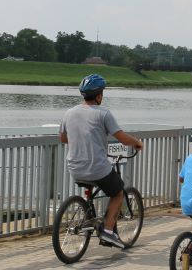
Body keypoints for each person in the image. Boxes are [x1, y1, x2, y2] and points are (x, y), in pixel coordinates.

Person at [58, 74, 144, 249]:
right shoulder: (104, 113)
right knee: (118, 192)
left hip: (74, 167)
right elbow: (120, 136)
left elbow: (64, 139)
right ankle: (108, 232)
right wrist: (136, 142)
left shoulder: (69, 113)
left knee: (94, 185)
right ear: (99, 95)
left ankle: (90, 216)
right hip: (96, 167)